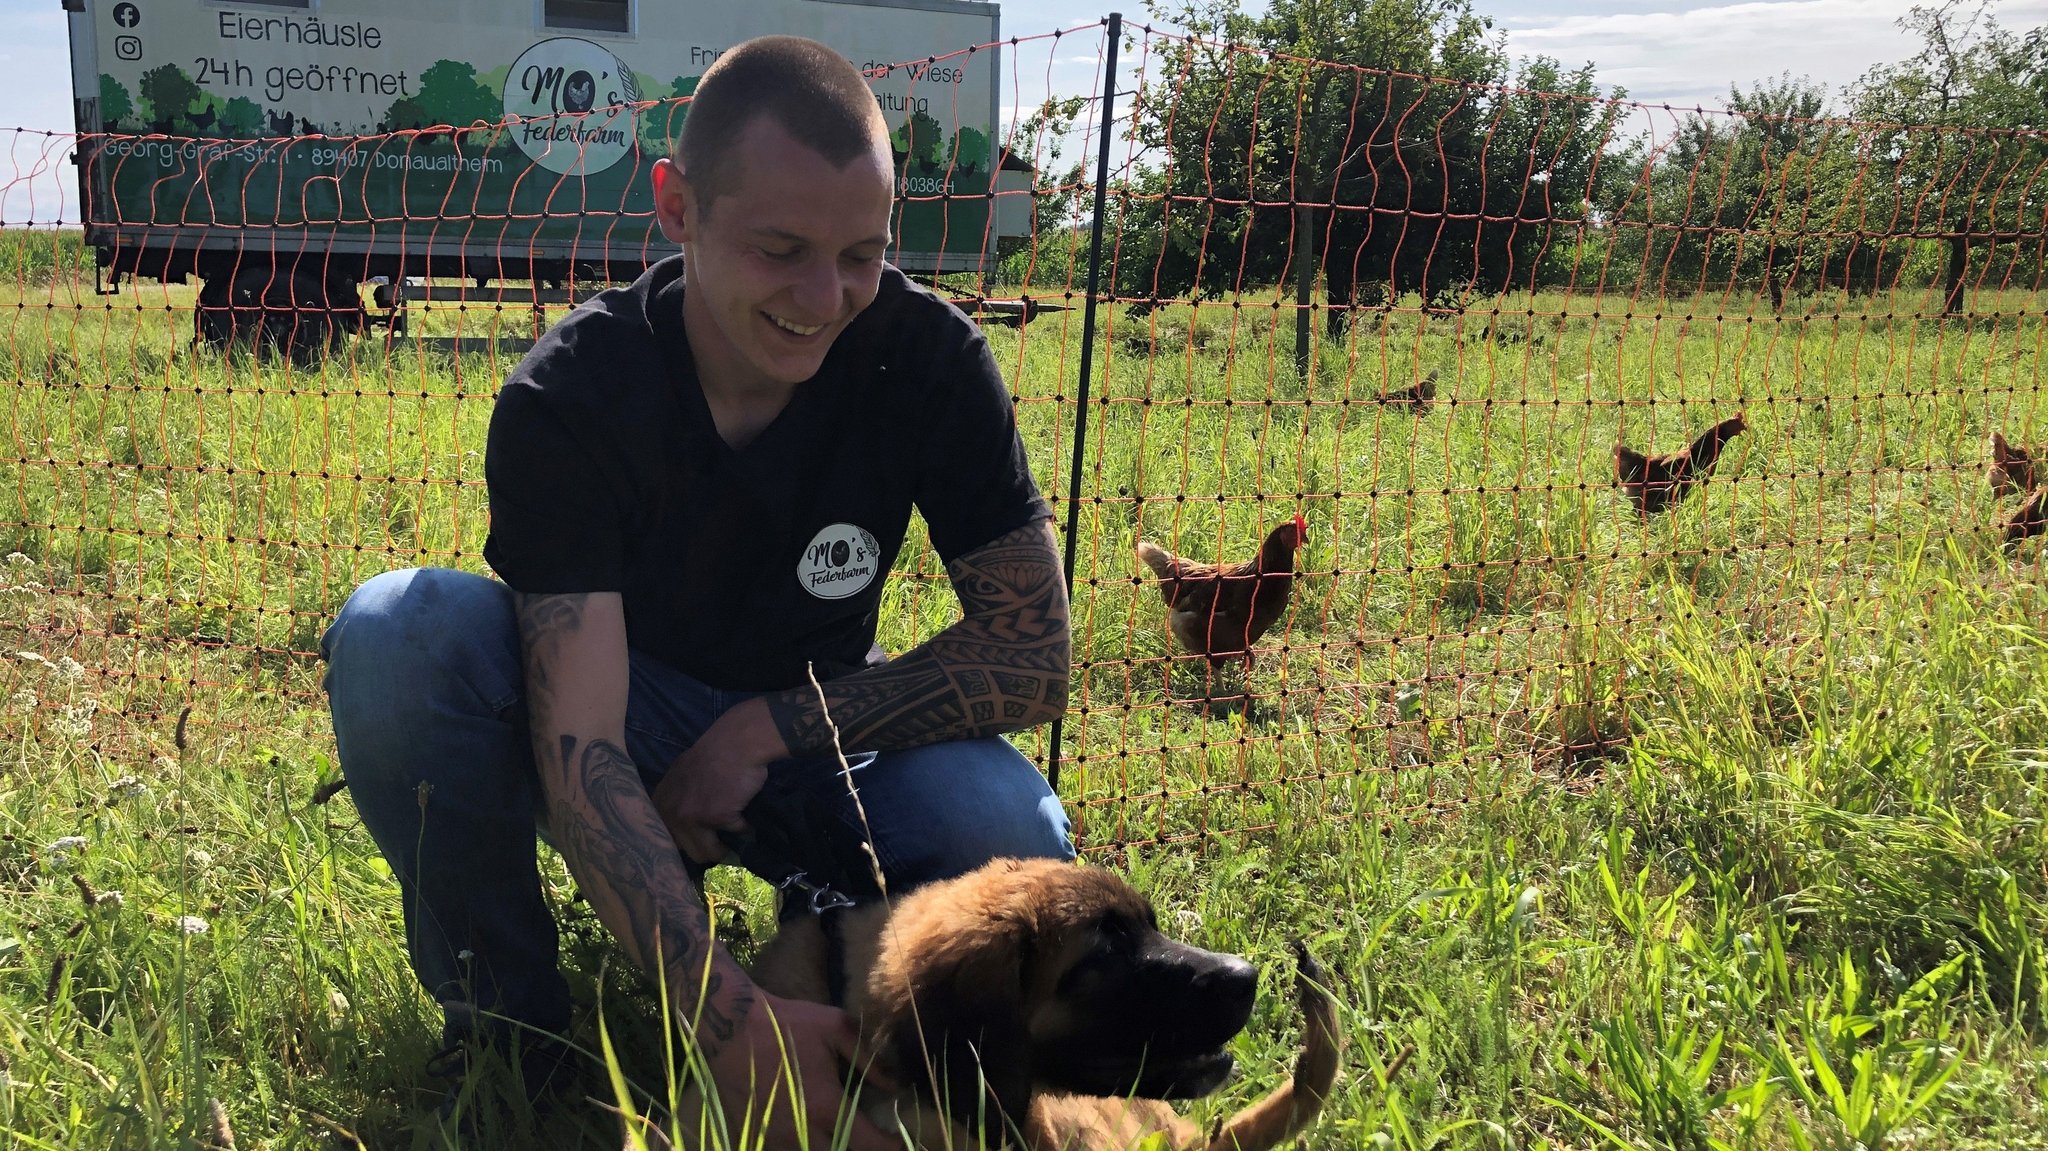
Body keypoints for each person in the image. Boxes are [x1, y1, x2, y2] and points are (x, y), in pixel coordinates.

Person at [320, 34, 1074, 1147]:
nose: (827, 299)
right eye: (781, 249)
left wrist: (765, 728)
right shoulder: (571, 398)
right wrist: (730, 1023)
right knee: (401, 635)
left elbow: (1030, 653)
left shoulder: (926, 357)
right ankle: (510, 1027)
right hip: (618, 706)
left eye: (862, 254)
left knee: (1008, 825)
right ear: (676, 208)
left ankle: (849, 979)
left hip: (817, 723)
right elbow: (579, 743)